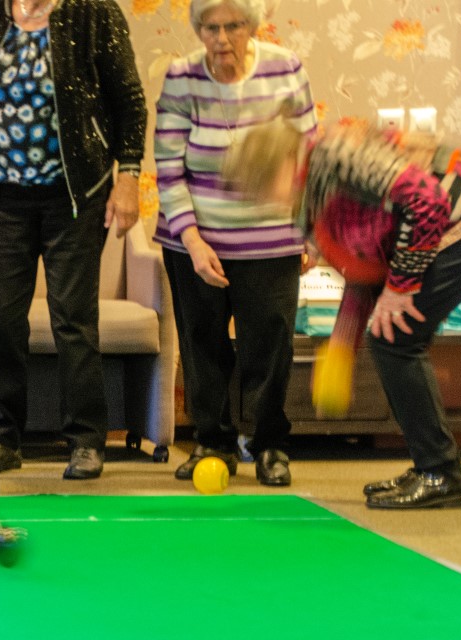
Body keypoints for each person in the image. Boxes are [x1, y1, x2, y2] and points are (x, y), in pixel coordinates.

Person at [223, 116, 461, 509]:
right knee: (393, 336)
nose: (264, 202)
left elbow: (428, 202)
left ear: (284, 163)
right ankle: (432, 467)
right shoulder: (313, 195)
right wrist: (341, 348)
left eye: (261, 187)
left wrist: (401, 287)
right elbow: (364, 272)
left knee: (396, 337)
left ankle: (440, 474)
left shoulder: (336, 157)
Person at [0, 0, 147, 481]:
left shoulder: (94, 12)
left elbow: (130, 101)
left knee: (73, 320)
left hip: (76, 198)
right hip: (4, 200)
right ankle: (2, 437)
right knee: (3, 322)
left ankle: (85, 440)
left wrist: (129, 177)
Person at [153, 0, 317, 488]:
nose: (221, 38)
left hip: (271, 239)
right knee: (201, 343)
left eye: (233, 26)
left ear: (252, 25)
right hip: (194, 240)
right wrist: (192, 240)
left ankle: (268, 445)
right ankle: (213, 442)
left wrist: (311, 229)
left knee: (269, 346)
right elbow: (168, 169)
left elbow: (307, 155)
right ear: (198, 29)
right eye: (211, 27)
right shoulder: (182, 77)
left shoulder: (285, 69)